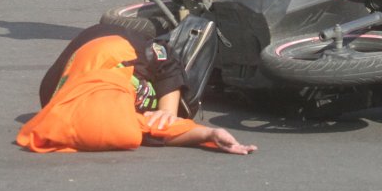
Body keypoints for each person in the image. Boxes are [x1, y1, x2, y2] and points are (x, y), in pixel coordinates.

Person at [17, 24, 256, 154]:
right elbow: (153, 130)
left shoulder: (123, 52)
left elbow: (165, 62)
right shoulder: (107, 120)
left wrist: (169, 114)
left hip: (107, 40)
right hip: (69, 80)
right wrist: (209, 134)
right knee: (174, 106)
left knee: (167, 82)